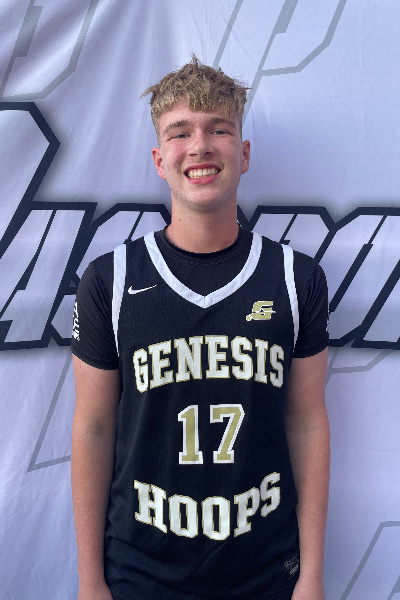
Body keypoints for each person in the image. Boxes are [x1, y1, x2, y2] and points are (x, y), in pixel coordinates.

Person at [71, 56, 330, 600]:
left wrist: (312, 575)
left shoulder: (295, 278)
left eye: (219, 129)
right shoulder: (109, 281)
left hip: (265, 573)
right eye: (179, 132)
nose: (200, 146)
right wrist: (89, 580)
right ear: (158, 159)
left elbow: (307, 422)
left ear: (244, 152)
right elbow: (93, 428)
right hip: (140, 574)